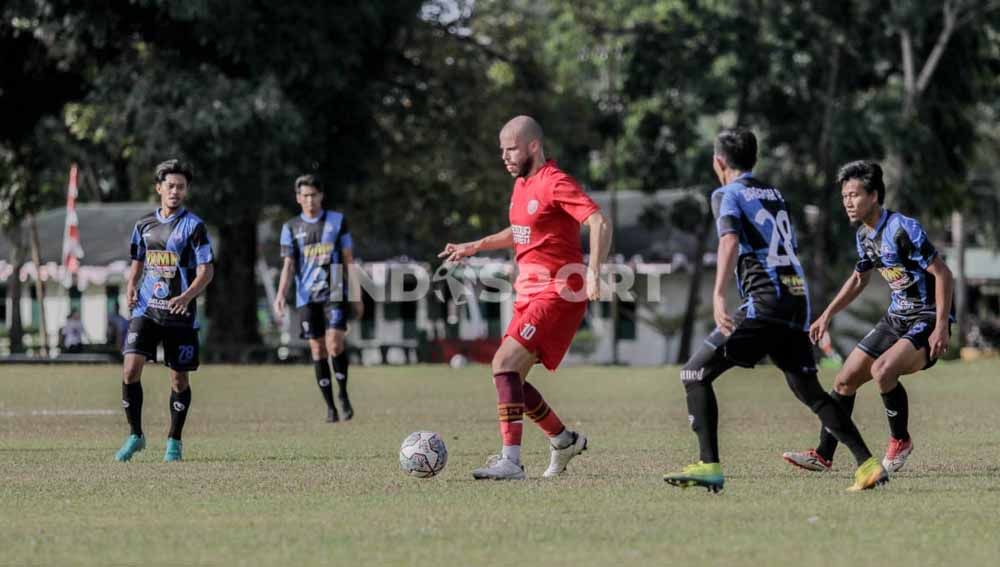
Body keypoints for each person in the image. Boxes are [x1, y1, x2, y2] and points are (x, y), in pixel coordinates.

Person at [663, 128, 887, 493]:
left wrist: (718, 294)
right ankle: (867, 463)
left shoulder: (726, 193)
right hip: (796, 300)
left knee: (694, 373)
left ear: (718, 162)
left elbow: (730, 239)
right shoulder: (775, 194)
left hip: (765, 303)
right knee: (809, 390)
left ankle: (708, 464)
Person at [438, 115, 612, 480]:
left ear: (533, 146)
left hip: (559, 291)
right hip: (529, 294)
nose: (505, 157)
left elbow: (597, 221)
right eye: (501, 151)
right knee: (509, 375)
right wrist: (476, 245)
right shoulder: (522, 186)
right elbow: (519, 231)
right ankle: (563, 440)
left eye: (511, 149)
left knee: (502, 363)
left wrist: (594, 271)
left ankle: (511, 462)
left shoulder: (554, 182)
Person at [783, 160, 954, 474]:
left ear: (874, 196)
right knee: (844, 380)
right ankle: (823, 454)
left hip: (926, 317)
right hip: (896, 318)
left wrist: (941, 325)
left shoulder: (903, 228)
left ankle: (900, 440)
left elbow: (943, 274)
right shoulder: (864, 236)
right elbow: (859, 278)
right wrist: (826, 315)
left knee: (882, 370)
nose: (848, 202)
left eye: (854, 195)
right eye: (844, 196)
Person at [115, 159, 214, 463]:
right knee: (130, 370)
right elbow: (137, 262)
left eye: (181, 187)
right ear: (159, 188)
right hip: (146, 309)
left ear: (186, 191)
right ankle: (135, 435)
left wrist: (186, 296)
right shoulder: (144, 224)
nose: (175, 191)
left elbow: (206, 270)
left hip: (179, 314)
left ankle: (174, 440)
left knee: (178, 381)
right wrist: (131, 285)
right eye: (170, 185)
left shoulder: (194, 226)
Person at [273, 174, 362, 423]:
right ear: (298, 198)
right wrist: (280, 295)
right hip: (306, 296)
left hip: (334, 290)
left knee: (335, 343)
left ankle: (343, 393)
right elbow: (288, 265)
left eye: (314, 195)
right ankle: (330, 406)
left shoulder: (337, 221)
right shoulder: (290, 227)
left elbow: (348, 260)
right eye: (305, 195)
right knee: (317, 348)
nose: (310, 200)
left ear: (321, 196)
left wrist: (356, 295)